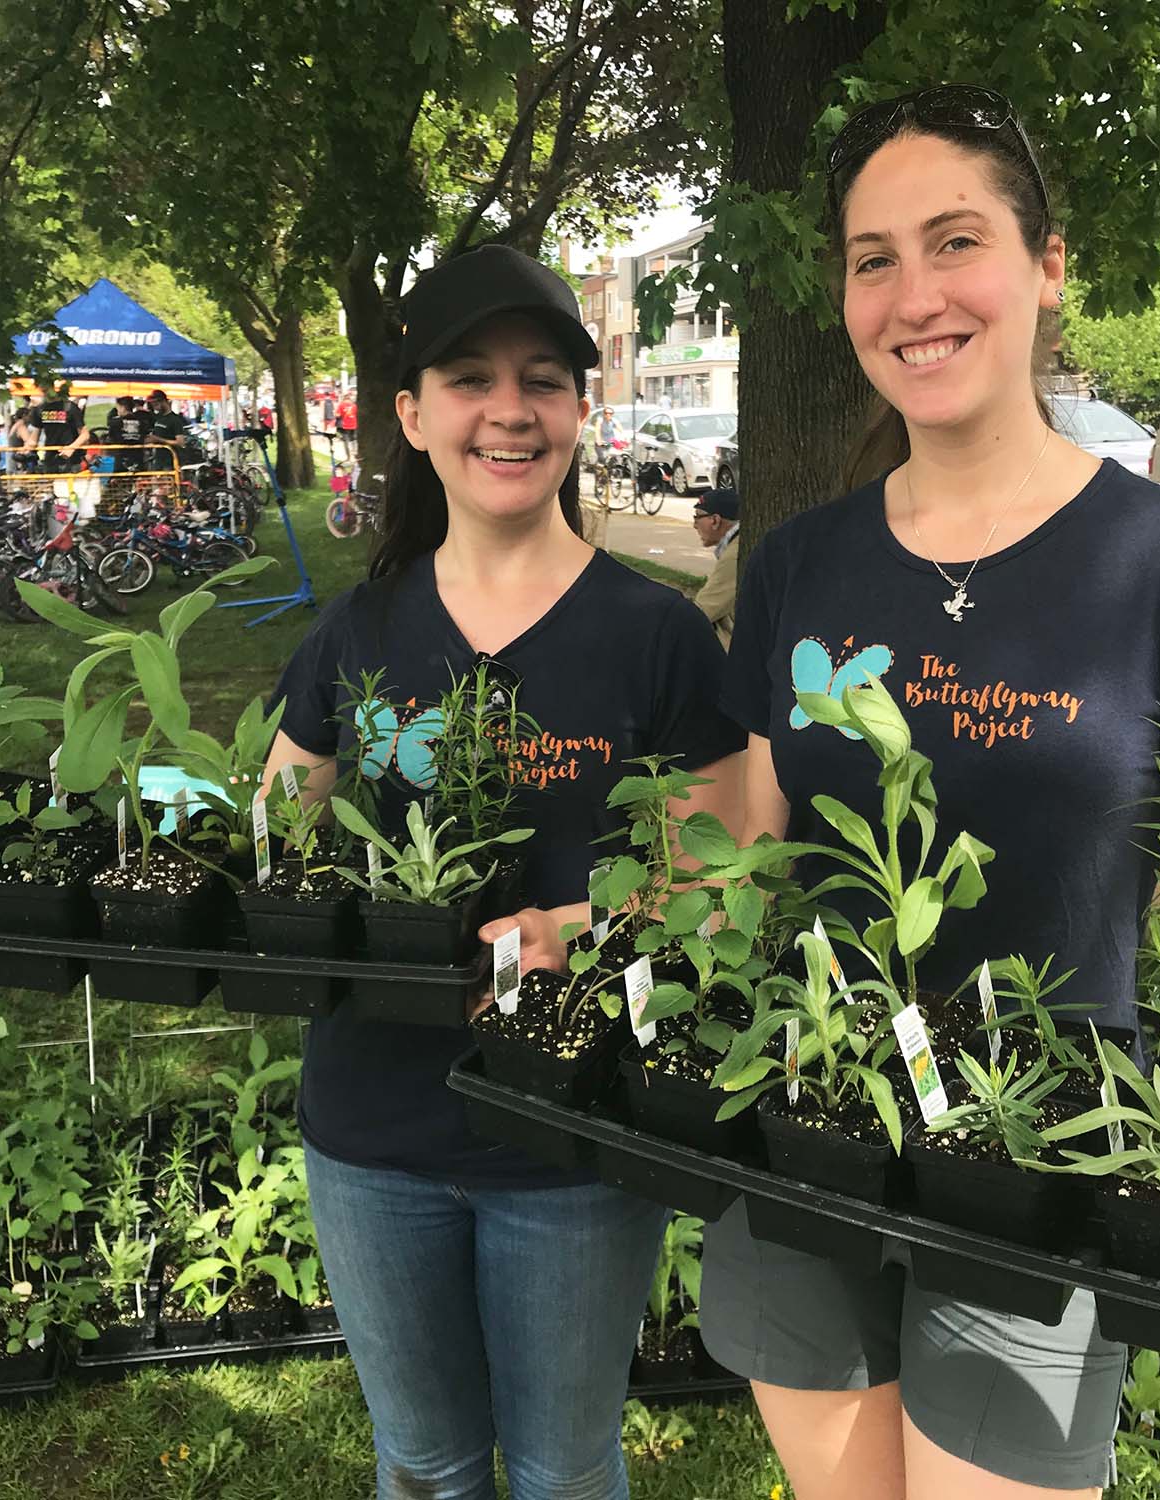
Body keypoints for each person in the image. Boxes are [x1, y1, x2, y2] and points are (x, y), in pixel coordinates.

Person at [702, 84, 1160, 1500]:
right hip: (810, 1125)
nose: (913, 296)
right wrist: (574, 923)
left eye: (954, 240)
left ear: (1046, 265)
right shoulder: (799, 564)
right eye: (872, 258)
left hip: (1041, 1158)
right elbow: (745, 856)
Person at [258, 243, 744, 1500]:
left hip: (573, 1140)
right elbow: (274, 840)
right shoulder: (355, 633)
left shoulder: (656, 637)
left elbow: (723, 878)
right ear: (413, 415)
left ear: (582, 411)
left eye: (542, 378)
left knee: (560, 1465)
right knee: (421, 1460)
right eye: (469, 377)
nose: (509, 409)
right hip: (370, 1126)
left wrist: (576, 925)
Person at [688, 487, 739, 650]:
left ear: (715, 520)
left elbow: (703, 611)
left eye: (697, 517)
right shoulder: (736, 546)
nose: (694, 525)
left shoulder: (734, 555)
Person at [33, 384, 87, 472]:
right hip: (50, 458)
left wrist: (71, 448)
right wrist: (25, 448)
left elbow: (85, 434)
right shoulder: (39, 409)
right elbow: (33, 438)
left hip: (71, 459)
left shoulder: (70, 407)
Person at [337, 389, 359, 459]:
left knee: (345, 441)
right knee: (353, 440)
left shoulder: (341, 405)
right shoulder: (354, 405)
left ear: (344, 398)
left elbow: (337, 415)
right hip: (353, 425)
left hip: (344, 426)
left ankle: (348, 456)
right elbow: (356, 414)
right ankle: (355, 453)